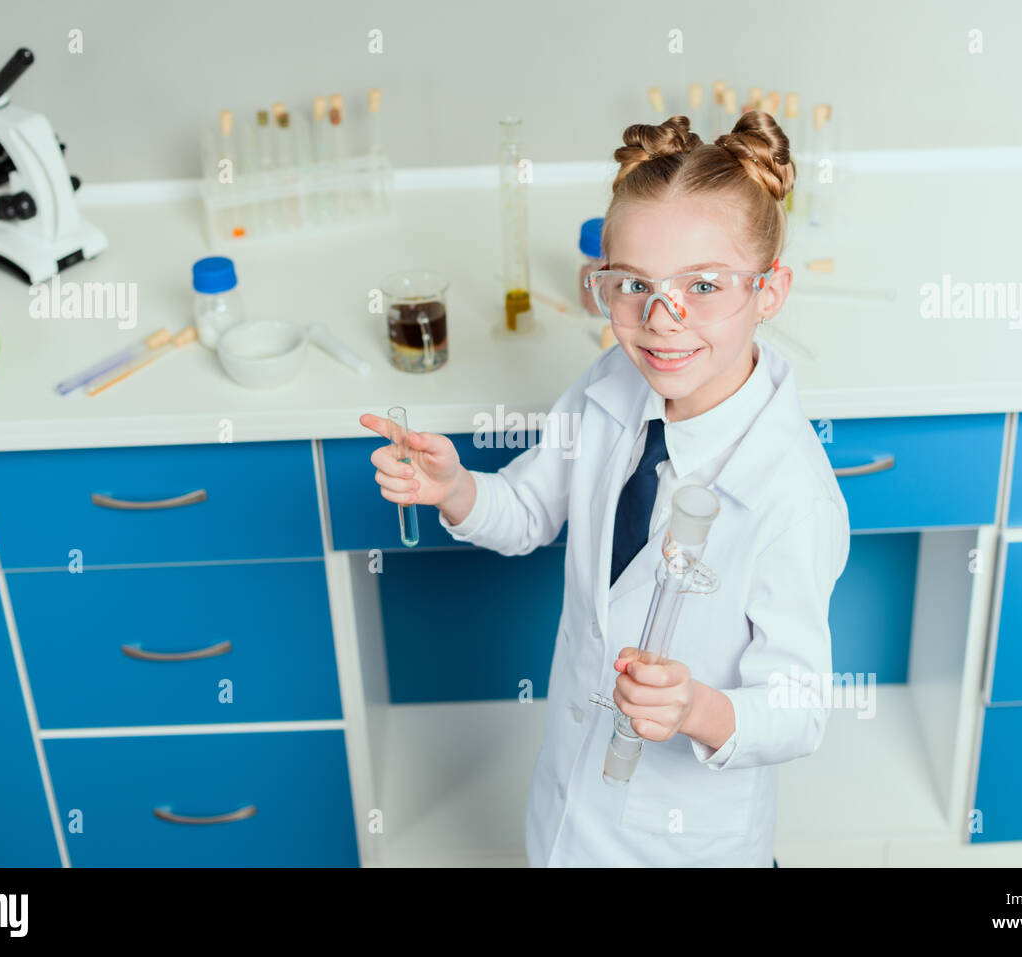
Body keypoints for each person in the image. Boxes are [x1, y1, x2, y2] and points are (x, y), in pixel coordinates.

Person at [361, 111, 850, 866]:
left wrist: (694, 706)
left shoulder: (789, 491)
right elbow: (526, 509)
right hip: (570, 806)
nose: (662, 320)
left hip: (685, 838)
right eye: (632, 285)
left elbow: (799, 708)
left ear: (770, 290)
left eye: (705, 285)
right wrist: (456, 488)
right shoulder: (614, 383)